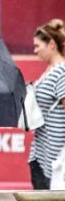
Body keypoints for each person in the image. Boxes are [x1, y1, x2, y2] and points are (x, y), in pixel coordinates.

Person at [28, 19, 65, 190]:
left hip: (57, 155)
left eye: (37, 46)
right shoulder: (49, 71)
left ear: (51, 44)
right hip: (42, 151)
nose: (35, 51)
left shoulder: (61, 72)